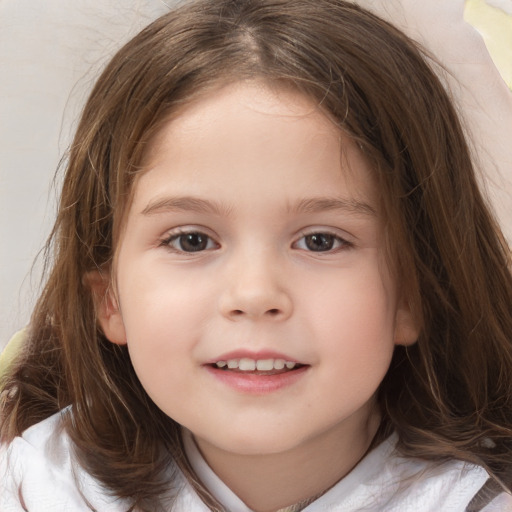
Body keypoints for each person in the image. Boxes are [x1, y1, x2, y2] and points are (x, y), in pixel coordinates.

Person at [1, 0, 512, 510]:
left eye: (320, 240)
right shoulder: (37, 487)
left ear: (412, 297)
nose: (254, 294)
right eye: (191, 240)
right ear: (109, 299)